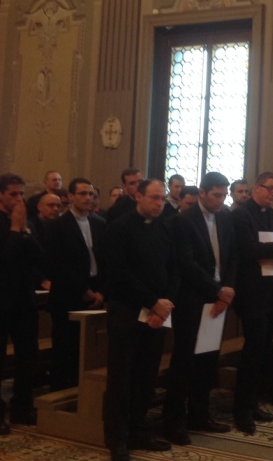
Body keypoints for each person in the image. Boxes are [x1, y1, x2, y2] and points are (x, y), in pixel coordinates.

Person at [102, 179, 179, 461]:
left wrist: (165, 305)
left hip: (157, 314)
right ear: (138, 197)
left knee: (147, 376)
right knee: (121, 378)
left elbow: (174, 270)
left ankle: (139, 429)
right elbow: (118, 275)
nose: (160, 204)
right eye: (154, 198)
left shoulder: (164, 228)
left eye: (163, 199)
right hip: (126, 312)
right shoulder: (119, 229)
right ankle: (117, 438)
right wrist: (153, 302)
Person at [162, 172, 237, 445]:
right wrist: (217, 290)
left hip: (218, 300)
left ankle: (200, 415)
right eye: (217, 195)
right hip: (192, 299)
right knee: (184, 361)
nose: (221, 200)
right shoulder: (183, 221)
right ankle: (173, 421)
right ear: (202, 193)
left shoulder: (225, 218)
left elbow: (232, 257)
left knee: (208, 360)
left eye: (224, 195)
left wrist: (226, 291)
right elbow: (186, 263)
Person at [231, 172, 273, 434]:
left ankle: (253, 403)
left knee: (263, 354)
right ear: (256, 188)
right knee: (252, 353)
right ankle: (241, 410)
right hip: (253, 294)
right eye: (270, 188)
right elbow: (248, 251)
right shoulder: (242, 215)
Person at [44, 177, 106, 392]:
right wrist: (83, 290)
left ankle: (86, 393)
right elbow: (58, 264)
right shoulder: (57, 226)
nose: (88, 198)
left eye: (91, 194)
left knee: (90, 348)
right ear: (70, 196)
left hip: (95, 289)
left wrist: (101, 290)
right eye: (82, 194)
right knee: (66, 348)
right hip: (68, 294)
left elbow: (105, 260)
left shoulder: (100, 224)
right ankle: (61, 392)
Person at [0, 173, 44, 434]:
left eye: (22, 194)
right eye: (13, 194)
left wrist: (24, 229)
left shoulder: (25, 221)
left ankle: (22, 406)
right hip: (1, 299)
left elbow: (38, 257)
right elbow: (5, 259)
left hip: (24, 300)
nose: (19, 199)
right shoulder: (9, 223)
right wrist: (16, 230)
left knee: (28, 355)